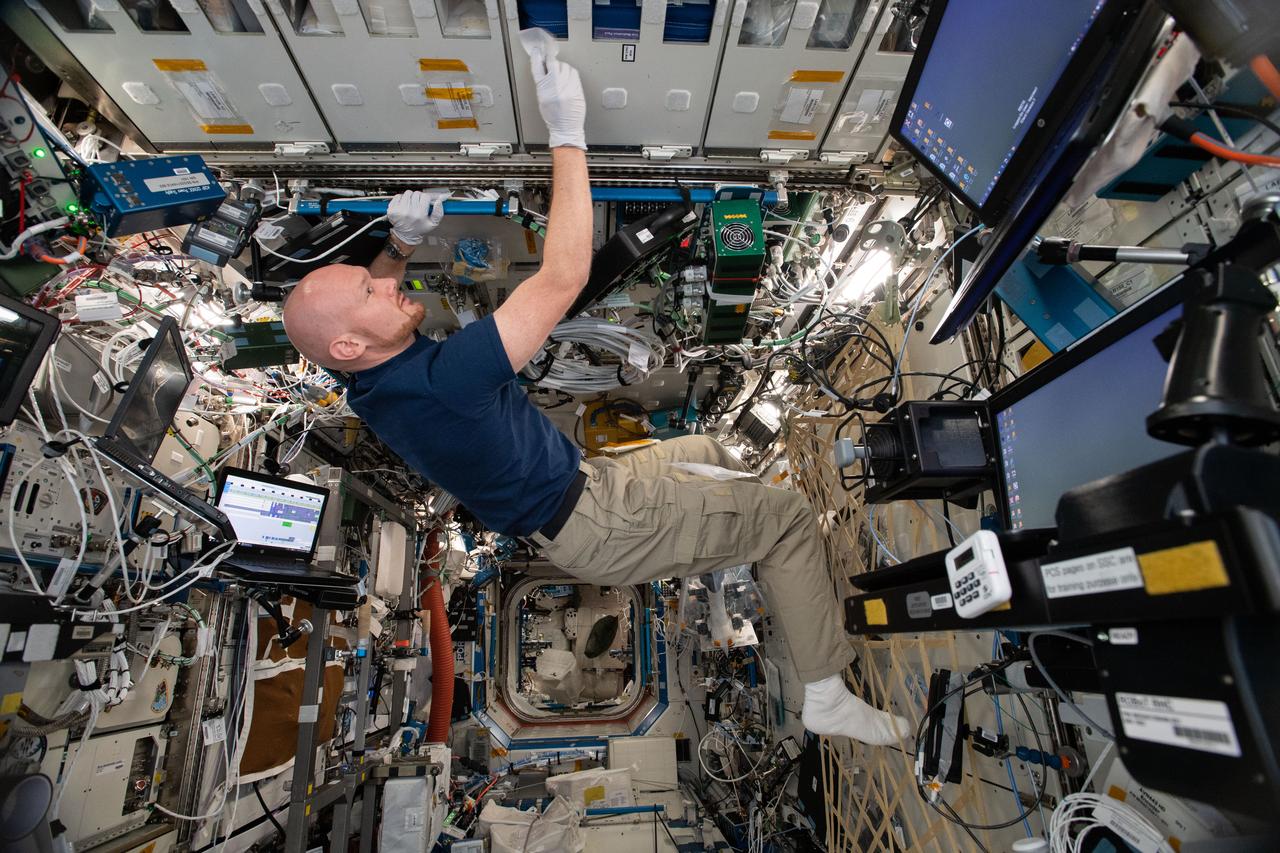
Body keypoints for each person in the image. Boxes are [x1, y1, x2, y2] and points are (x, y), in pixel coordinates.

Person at [281, 50, 906, 746]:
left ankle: (761, 553)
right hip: (602, 522)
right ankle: (824, 689)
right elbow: (564, 276)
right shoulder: (444, 378)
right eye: (372, 293)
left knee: (709, 449)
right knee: (786, 517)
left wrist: (397, 246)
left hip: (584, 486)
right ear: (347, 345)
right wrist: (567, 130)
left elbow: (343, 314)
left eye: (375, 279)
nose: (390, 285)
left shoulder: (367, 380)